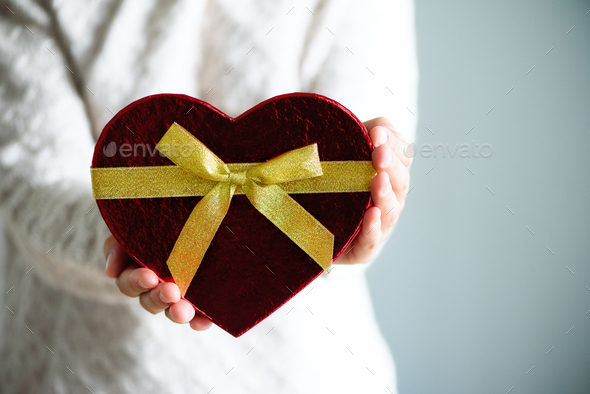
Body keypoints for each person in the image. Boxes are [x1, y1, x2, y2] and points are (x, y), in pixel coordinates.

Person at [0, 0, 417, 392]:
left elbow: (352, 169)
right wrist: (133, 240)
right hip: (86, 372)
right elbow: (32, 184)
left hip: (308, 373)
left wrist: (365, 216)